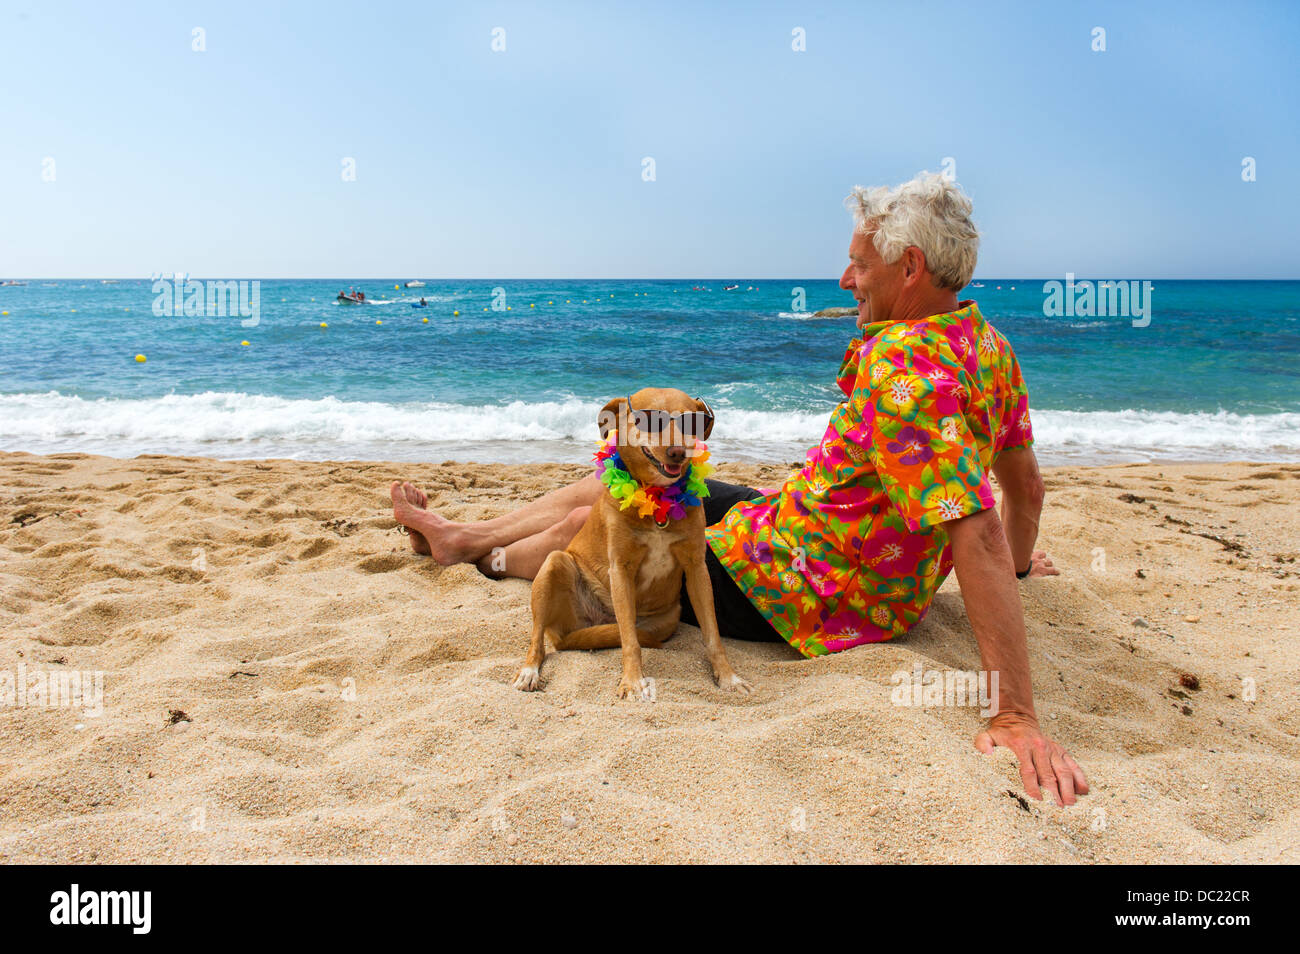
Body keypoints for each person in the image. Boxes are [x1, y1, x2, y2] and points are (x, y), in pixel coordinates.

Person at [389, 172, 1088, 807]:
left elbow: (979, 526)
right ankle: (466, 538)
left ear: (910, 268)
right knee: (627, 477)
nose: (847, 278)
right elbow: (1023, 486)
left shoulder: (906, 373)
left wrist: (1015, 714)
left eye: (861, 263)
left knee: (620, 522)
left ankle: (487, 555)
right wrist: (1023, 567)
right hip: (796, 523)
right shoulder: (982, 342)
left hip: (798, 587)